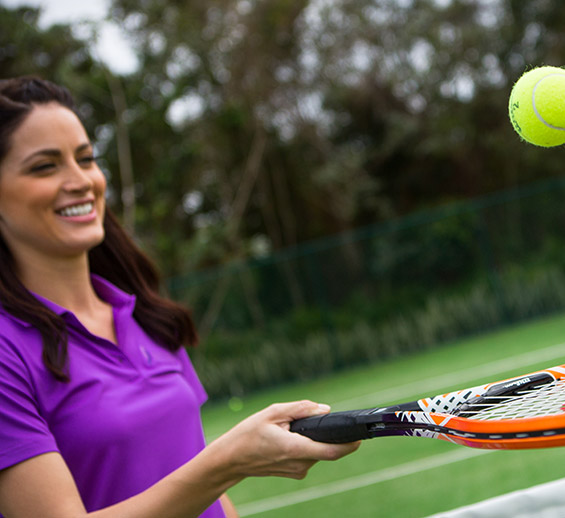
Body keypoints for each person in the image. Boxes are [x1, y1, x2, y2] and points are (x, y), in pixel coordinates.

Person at [0, 76, 360, 518]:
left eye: (86, 158)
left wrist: (220, 471)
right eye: (44, 166)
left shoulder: (146, 316)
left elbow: (200, 482)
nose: (81, 181)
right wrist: (228, 462)